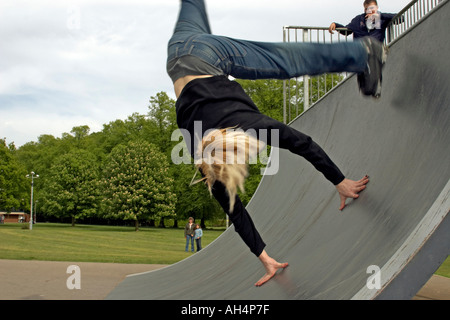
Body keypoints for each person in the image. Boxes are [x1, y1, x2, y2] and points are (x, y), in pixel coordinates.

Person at [168, 0, 372, 287]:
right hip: (176, 52)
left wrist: (339, 181)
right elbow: (237, 214)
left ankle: (361, 52)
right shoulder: (206, 163)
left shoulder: (250, 130)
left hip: (209, 56)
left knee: (282, 61)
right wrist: (264, 257)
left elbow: (302, 143)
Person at [328, 0, 398, 43]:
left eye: (372, 8)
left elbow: (401, 18)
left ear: (377, 7)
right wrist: (336, 25)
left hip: (376, 52)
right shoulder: (358, 19)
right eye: (367, 9)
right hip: (361, 52)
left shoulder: (382, 18)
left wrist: (380, 16)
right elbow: (347, 31)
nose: (369, 11)